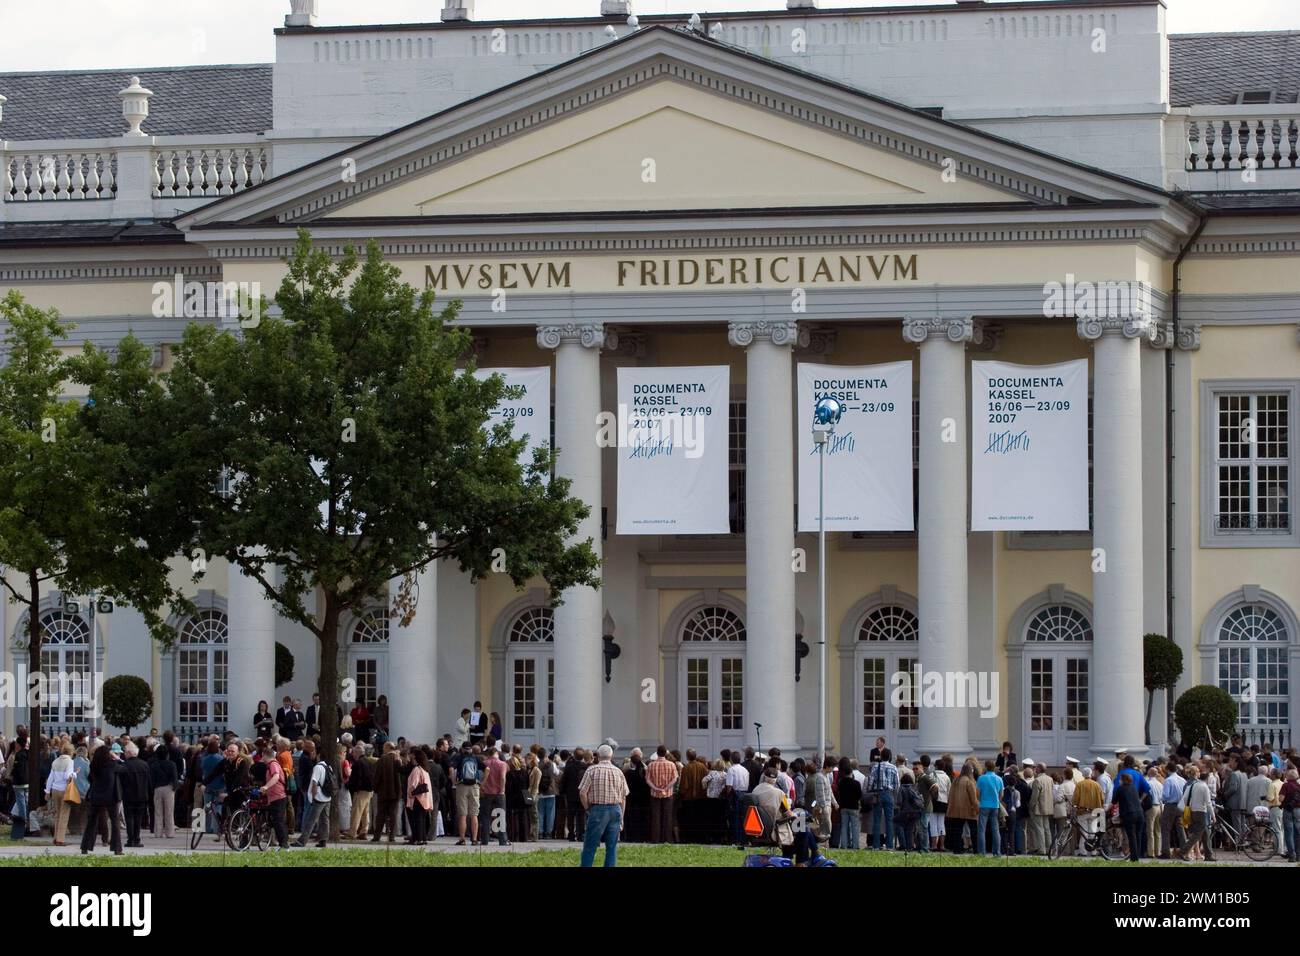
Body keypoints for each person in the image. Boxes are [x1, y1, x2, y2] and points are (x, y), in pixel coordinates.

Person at [579, 743, 629, 867]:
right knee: (611, 847)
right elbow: (623, 797)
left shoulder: (591, 770)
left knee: (590, 845)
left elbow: (582, 793)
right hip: (615, 809)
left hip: (597, 809)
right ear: (611, 756)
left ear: (598, 756)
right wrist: (621, 816)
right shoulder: (619, 772)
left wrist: (587, 808)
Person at [80, 744, 123, 855]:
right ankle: (117, 848)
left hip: (96, 795)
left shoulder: (93, 765)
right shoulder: (112, 764)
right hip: (110, 797)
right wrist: (117, 758)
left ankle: (85, 846)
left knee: (91, 822)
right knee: (115, 821)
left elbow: (90, 778)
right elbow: (124, 768)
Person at [292, 746, 332, 849]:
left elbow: (314, 783)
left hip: (318, 797)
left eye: (314, 752)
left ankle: (302, 841)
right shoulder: (328, 767)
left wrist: (313, 797)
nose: (312, 754)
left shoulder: (318, 767)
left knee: (311, 819)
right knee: (325, 819)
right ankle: (323, 840)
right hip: (327, 796)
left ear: (318, 755)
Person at [1176, 764, 1214, 862]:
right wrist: (1213, 816)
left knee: (1205, 833)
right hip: (1201, 812)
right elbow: (1208, 803)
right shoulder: (1204, 787)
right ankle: (1183, 851)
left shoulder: (1191, 785)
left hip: (1192, 811)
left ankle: (1209, 854)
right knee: (1197, 834)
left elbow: (1184, 798)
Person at [119, 742, 152, 848]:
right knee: (138, 818)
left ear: (129, 752)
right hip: (142, 796)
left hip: (128, 796)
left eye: (125, 752)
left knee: (129, 818)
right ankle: (137, 839)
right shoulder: (144, 764)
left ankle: (130, 839)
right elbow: (149, 781)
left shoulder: (124, 765)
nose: (124, 754)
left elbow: (121, 782)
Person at [450, 743, 482, 845]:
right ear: (471, 749)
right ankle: (474, 839)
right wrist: (482, 782)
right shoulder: (475, 758)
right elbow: (487, 769)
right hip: (474, 786)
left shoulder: (458, 757)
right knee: (474, 814)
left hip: (462, 786)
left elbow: (451, 769)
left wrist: (454, 781)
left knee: (463, 815)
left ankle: (462, 839)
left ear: (462, 749)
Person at [258, 742, 289, 850]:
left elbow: (275, 777)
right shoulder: (271, 765)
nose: (262, 758)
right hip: (274, 797)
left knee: (278, 821)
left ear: (266, 755)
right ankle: (282, 843)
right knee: (276, 820)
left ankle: (284, 845)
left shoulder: (273, 764)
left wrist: (266, 786)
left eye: (263, 756)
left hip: (278, 797)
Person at [866, 750, 899, 850]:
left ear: (881, 756)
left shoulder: (876, 766)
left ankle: (876, 845)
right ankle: (889, 845)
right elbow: (897, 784)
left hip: (878, 794)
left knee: (877, 820)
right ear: (889, 757)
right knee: (889, 820)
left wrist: (870, 789)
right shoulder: (893, 767)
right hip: (889, 794)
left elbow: (870, 781)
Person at [44, 743, 75, 846]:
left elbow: (50, 778)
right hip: (64, 790)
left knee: (57, 814)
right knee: (64, 815)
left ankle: (55, 837)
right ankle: (60, 839)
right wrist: (75, 774)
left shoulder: (55, 761)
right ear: (71, 752)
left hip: (55, 790)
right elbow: (68, 776)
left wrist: (47, 791)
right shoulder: (70, 761)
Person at [646, 745, 678, 844]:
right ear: (665, 753)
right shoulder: (671, 764)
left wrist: (655, 788)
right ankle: (667, 838)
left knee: (656, 817)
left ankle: (655, 839)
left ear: (657, 752)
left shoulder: (651, 765)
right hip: (668, 793)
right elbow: (675, 778)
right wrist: (666, 788)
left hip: (655, 793)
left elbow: (647, 779)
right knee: (668, 817)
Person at [371, 743, 403, 843]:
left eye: (384, 747)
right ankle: (392, 836)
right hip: (396, 792)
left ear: (388, 748)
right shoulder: (399, 760)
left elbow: (377, 776)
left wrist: (375, 788)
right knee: (393, 814)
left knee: (380, 814)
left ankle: (377, 836)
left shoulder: (383, 759)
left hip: (383, 792)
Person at [479, 747, 510, 846]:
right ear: (496, 753)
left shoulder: (484, 763)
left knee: (485, 817)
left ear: (488, 754)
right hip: (498, 793)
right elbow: (502, 777)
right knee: (500, 816)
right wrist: (502, 790)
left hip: (486, 792)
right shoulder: (502, 764)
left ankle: (485, 839)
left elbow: (481, 777)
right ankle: (502, 840)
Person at [1113, 772, 1145, 862]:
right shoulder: (1134, 787)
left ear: (1123, 780)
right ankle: (1137, 855)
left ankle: (1134, 858)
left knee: (1131, 836)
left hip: (1129, 814)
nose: (1119, 781)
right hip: (1140, 814)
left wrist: (1106, 809)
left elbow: (1114, 802)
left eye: (1120, 779)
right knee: (1138, 835)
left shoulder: (1120, 789)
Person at [975, 760, 1003, 856]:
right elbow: (1001, 794)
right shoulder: (999, 779)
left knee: (981, 829)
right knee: (995, 829)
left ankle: (982, 852)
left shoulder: (981, 778)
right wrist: (997, 801)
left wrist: (980, 801)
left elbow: (977, 794)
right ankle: (997, 852)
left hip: (984, 805)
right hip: (995, 806)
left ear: (986, 767)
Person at [405, 748, 432, 845]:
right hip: (424, 798)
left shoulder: (416, 769)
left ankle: (418, 838)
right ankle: (422, 838)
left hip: (417, 798)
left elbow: (414, 784)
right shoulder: (425, 770)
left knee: (417, 819)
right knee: (422, 819)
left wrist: (409, 792)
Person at [835, 757, 861, 848]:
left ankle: (844, 845)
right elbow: (859, 795)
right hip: (853, 807)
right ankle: (855, 845)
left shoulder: (841, 783)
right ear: (851, 773)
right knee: (855, 827)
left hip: (843, 807)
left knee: (844, 826)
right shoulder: (856, 783)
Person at [1028, 763, 1053, 855]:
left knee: (1039, 829)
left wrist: (1031, 806)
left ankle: (1042, 849)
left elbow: (1035, 797)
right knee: (1047, 829)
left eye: (1036, 768)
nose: (1035, 769)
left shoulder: (1037, 780)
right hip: (1048, 807)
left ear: (1039, 769)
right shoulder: (1050, 779)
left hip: (1038, 808)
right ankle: (1049, 848)